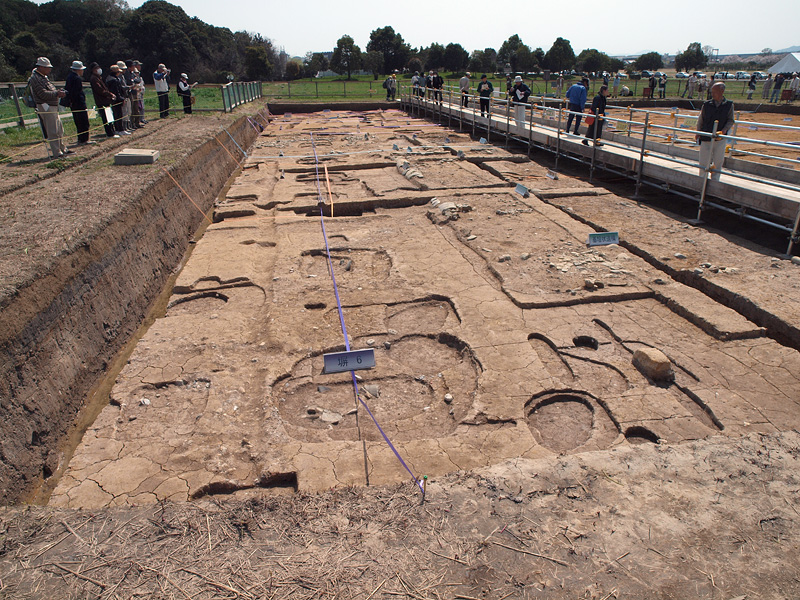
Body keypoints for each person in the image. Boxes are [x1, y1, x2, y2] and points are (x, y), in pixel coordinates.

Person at [28, 57, 70, 157]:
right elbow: (42, 94)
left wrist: (58, 92)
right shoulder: (35, 78)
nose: (49, 69)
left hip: (53, 106)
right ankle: (57, 151)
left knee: (59, 129)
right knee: (52, 130)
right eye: (47, 67)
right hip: (46, 106)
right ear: (41, 67)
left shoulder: (44, 77)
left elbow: (50, 90)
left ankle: (62, 148)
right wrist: (56, 93)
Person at [696, 81, 734, 181]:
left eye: (714, 92)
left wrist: (725, 129)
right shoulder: (707, 105)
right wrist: (698, 131)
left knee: (718, 161)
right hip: (706, 135)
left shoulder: (728, 105)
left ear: (722, 91)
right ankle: (702, 181)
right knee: (704, 161)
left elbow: (731, 120)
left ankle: (715, 182)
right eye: (712, 92)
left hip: (720, 138)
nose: (712, 94)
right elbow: (701, 119)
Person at [65, 60, 93, 145]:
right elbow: (77, 92)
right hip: (79, 103)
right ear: (78, 70)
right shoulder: (77, 79)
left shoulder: (69, 77)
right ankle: (84, 139)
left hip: (73, 104)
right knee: (84, 122)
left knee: (78, 122)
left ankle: (81, 139)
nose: (83, 71)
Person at [88, 62, 117, 138]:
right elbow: (100, 90)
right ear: (93, 70)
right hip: (101, 101)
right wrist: (110, 94)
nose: (99, 69)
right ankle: (109, 133)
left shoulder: (98, 77)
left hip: (105, 100)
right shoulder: (94, 78)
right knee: (106, 118)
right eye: (97, 68)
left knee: (109, 117)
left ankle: (112, 131)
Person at [105, 64, 129, 135]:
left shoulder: (109, 78)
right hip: (116, 100)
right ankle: (120, 129)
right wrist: (121, 99)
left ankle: (118, 129)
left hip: (113, 100)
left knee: (116, 115)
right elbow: (117, 91)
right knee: (118, 115)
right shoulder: (114, 80)